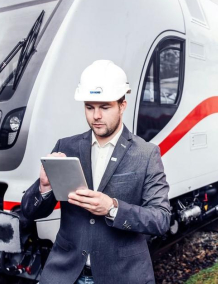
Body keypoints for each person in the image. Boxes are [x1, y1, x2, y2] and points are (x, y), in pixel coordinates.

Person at [21, 60, 171, 284]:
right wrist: (44, 187)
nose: (96, 116)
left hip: (122, 275)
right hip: (65, 273)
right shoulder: (66, 147)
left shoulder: (146, 154)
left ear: (122, 105)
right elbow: (30, 212)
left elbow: (161, 219)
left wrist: (112, 209)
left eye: (105, 107)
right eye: (89, 107)